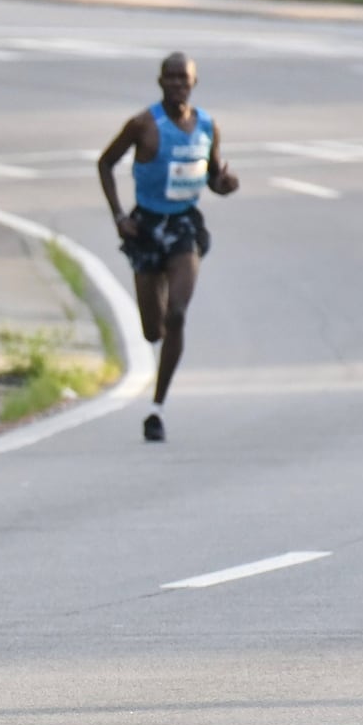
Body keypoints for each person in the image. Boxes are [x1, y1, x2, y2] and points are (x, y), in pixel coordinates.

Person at [98, 52, 238, 443]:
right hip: (145, 226)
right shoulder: (143, 125)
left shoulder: (207, 125)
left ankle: (157, 408)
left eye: (185, 78)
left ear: (195, 83)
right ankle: (156, 330)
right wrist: (119, 216)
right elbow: (105, 164)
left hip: (183, 227)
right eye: (171, 78)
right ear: (160, 82)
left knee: (177, 314)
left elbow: (213, 175)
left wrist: (225, 184)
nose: (178, 84)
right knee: (152, 329)